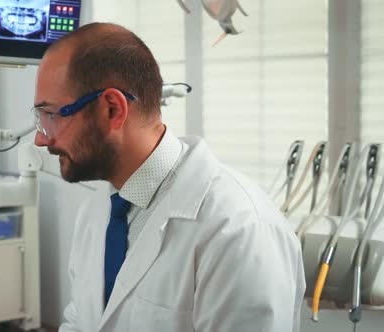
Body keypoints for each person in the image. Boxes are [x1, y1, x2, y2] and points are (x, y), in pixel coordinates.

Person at [32, 22, 306, 332]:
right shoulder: (99, 208)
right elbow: (80, 321)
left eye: (51, 115)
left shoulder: (239, 230)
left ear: (112, 110)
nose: (41, 140)